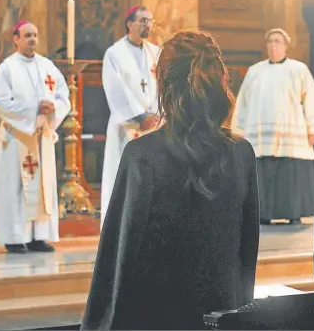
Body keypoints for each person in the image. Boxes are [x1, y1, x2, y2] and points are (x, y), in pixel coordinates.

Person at [82, 30, 260, 330]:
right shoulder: (241, 153)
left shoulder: (143, 155)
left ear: (164, 85)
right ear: (220, 82)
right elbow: (246, 255)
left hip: (158, 318)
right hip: (221, 316)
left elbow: (118, 259)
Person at [232, 28, 314, 225]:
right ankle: (264, 214)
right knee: (263, 174)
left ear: (286, 45)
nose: (273, 45)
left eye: (278, 41)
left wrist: (313, 128)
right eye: (270, 41)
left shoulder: (298, 69)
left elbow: (310, 98)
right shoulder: (255, 71)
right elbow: (243, 102)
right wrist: (239, 131)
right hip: (260, 137)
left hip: (290, 135)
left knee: (290, 176)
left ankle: (293, 213)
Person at [0, 21, 71, 254]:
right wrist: (34, 109)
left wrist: (51, 108)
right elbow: (1, 103)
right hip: (18, 137)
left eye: (35, 35)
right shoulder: (7, 68)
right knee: (16, 187)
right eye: (27, 35)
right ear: (16, 39)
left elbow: (63, 96)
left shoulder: (47, 66)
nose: (33, 39)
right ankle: (15, 237)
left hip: (41, 135)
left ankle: (39, 236)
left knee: (43, 186)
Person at [100, 5, 161, 227]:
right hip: (126, 126)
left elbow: (163, 85)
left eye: (150, 20)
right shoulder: (114, 54)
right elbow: (115, 88)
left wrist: (155, 113)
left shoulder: (156, 52)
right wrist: (139, 114)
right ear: (129, 23)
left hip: (153, 125)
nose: (148, 25)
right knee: (123, 175)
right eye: (143, 20)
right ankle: (120, 224)